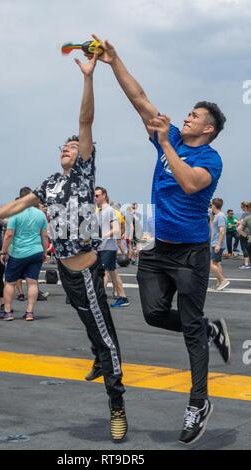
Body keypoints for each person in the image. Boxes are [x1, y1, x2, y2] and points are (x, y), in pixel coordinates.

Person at [0, 50, 127, 442]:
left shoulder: (84, 170)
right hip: (64, 269)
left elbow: (85, 120)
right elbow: (19, 203)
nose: (67, 146)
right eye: (64, 145)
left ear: (84, 154)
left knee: (105, 334)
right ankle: (99, 357)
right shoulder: (49, 183)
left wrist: (89, 77)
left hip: (88, 266)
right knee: (90, 326)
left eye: (73, 146)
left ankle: (116, 405)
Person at [87, 34, 230, 445]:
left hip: (190, 253)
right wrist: (114, 61)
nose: (187, 117)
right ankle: (209, 329)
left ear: (209, 128)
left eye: (195, 115)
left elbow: (188, 185)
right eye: (187, 112)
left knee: (188, 329)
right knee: (152, 313)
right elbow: (141, 98)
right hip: (157, 249)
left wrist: (166, 142)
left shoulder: (208, 158)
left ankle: (198, 402)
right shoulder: (169, 136)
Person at [0, 187, 48, 321]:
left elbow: (9, 235)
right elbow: (44, 235)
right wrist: (45, 252)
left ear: (20, 198)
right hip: (36, 251)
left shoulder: (15, 214)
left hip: (18, 253)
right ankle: (29, 312)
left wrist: (3, 252)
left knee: (10, 283)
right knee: (32, 283)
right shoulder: (40, 214)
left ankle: (8, 312)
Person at [95, 186, 129, 308]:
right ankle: (123, 297)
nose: (95, 198)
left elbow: (116, 229)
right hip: (101, 247)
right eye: (94, 195)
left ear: (104, 195)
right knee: (112, 273)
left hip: (108, 247)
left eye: (97, 195)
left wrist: (103, 235)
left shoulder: (109, 210)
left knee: (104, 273)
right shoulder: (99, 211)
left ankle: (100, 298)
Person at [210, 198, 229, 291]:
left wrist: (218, 245)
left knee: (211, 264)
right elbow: (212, 227)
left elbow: (222, 231)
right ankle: (219, 283)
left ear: (214, 205)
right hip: (215, 243)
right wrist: (211, 215)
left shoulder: (221, 216)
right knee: (216, 263)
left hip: (217, 244)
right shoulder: (217, 216)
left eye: (211, 205)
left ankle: (223, 280)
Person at [238, 201, 251, 269]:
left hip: (244, 234)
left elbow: (241, 224)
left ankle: (246, 264)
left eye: (242, 207)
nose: (241, 208)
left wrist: (237, 222)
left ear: (246, 207)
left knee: (244, 248)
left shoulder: (245, 214)